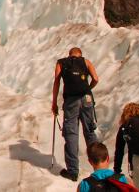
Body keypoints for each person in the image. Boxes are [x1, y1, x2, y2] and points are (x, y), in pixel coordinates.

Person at [52, 47, 100, 181]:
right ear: (80, 54)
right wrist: (88, 89)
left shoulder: (61, 62)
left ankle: (73, 172)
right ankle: (100, 168)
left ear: (69, 55)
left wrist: (54, 103)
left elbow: (56, 82)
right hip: (87, 99)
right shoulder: (86, 62)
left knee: (72, 133)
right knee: (90, 132)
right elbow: (96, 78)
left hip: (71, 101)